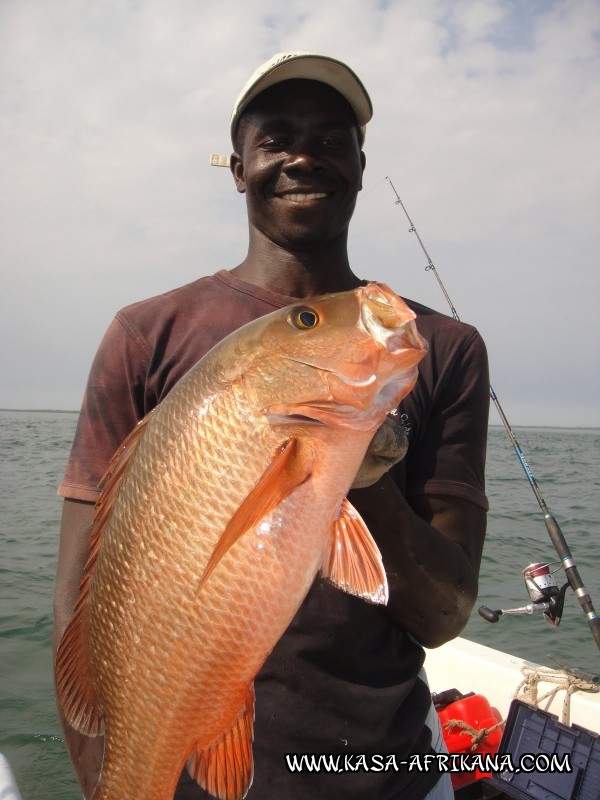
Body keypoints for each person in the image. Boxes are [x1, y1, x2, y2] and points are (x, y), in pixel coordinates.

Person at [53, 52, 489, 799]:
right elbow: (79, 596)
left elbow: (443, 616)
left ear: (358, 165)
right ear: (238, 167)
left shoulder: (445, 348)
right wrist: (110, 782)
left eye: (329, 138)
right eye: (276, 137)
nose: (302, 157)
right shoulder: (144, 334)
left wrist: (363, 475)